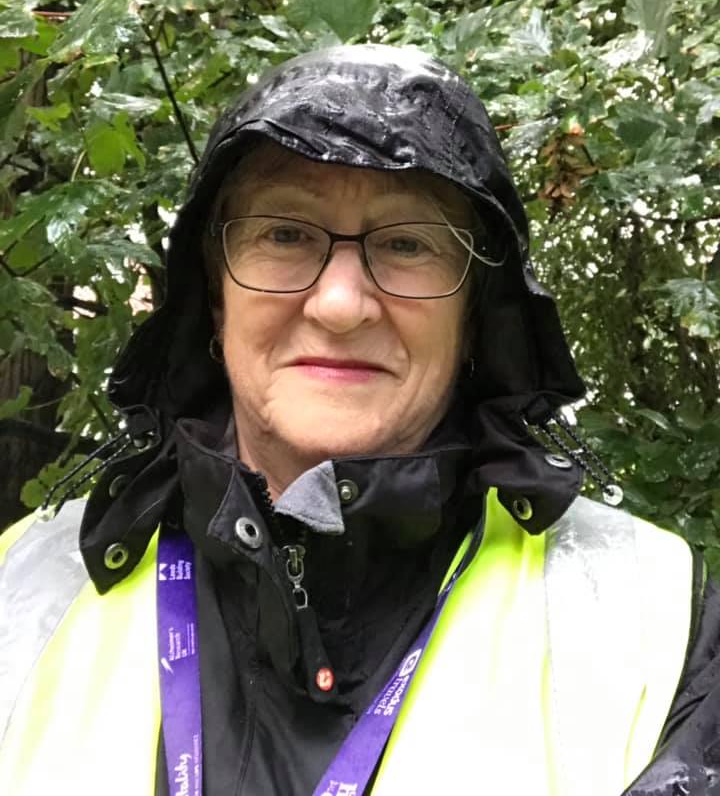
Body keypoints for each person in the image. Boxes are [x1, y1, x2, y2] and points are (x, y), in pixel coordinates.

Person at [0, 44, 719, 796]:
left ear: (476, 314)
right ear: (214, 296)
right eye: (285, 234)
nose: (341, 306)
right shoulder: (29, 584)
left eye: (407, 243)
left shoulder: (651, 620)